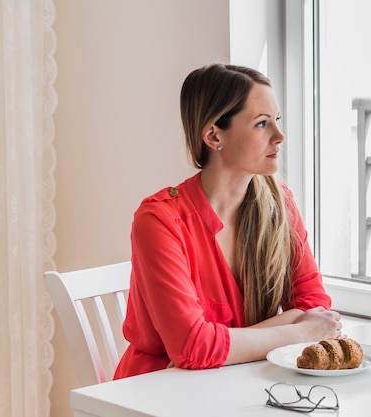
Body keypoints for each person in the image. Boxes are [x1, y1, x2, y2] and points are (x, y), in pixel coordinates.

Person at [114, 64, 341, 379]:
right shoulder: (159, 220)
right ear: (213, 135)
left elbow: (315, 305)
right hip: (160, 388)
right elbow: (192, 347)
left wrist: (226, 344)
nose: (279, 136)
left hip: (241, 379)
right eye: (262, 124)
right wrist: (301, 332)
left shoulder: (280, 204)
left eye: (276, 120)